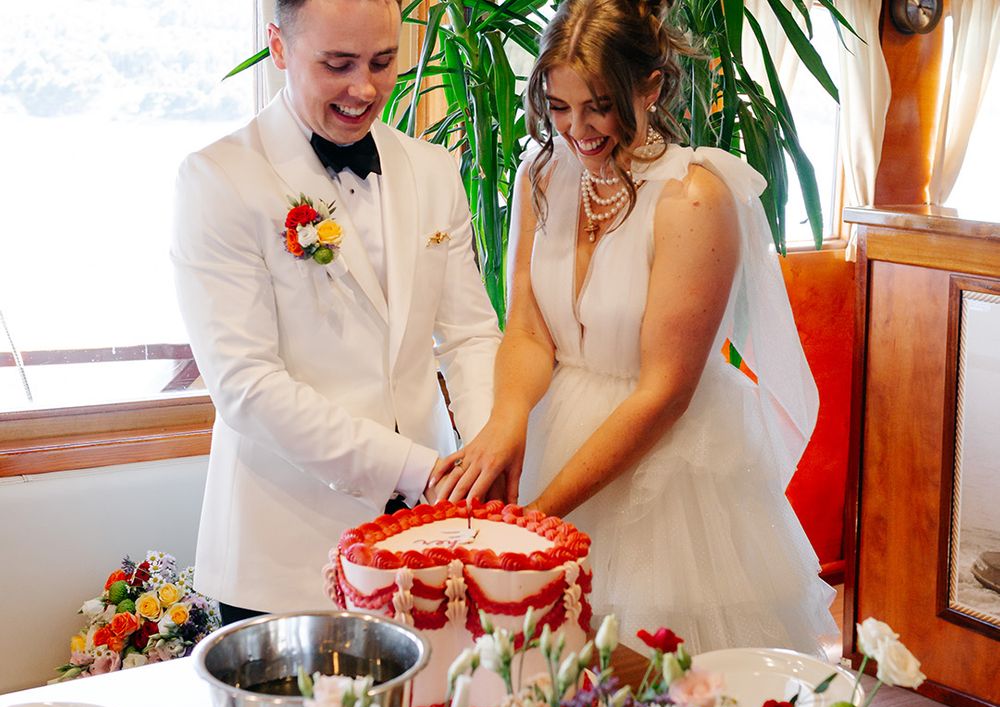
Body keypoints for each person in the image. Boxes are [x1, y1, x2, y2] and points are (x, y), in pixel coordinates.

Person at [434, 0, 837, 657]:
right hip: (556, 435)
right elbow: (530, 333)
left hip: (664, 469)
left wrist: (541, 516)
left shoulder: (693, 199)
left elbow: (663, 394)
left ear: (650, 87)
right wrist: (507, 421)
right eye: (559, 107)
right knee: (550, 689)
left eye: (599, 105)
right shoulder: (541, 174)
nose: (576, 130)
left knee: (664, 693)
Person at [171, 0, 500, 623]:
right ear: (278, 46)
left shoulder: (432, 170)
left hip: (423, 543)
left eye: (383, 61)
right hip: (285, 554)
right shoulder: (217, 180)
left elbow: (470, 335)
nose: (364, 88)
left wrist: (480, 460)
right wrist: (415, 470)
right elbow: (246, 386)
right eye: (338, 64)